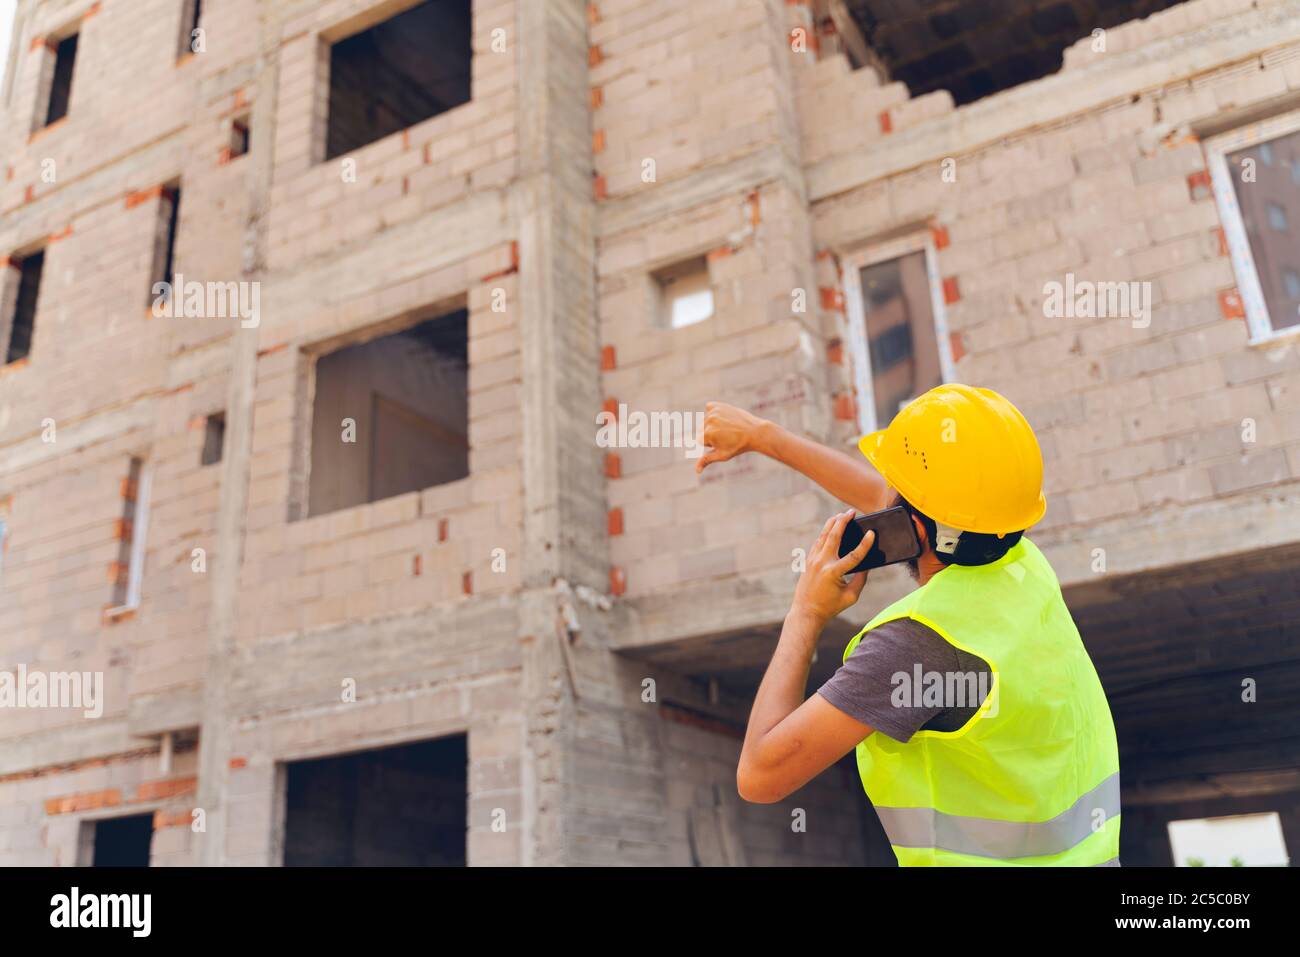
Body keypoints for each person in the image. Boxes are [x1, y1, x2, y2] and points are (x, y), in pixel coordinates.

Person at [702, 384, 1121, 866]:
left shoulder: (916, 645)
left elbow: (760, 775)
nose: (879, 498)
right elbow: (905, 505)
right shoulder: (1023, 565)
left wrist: (806, 613)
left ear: (911, 528)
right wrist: (763, 436)